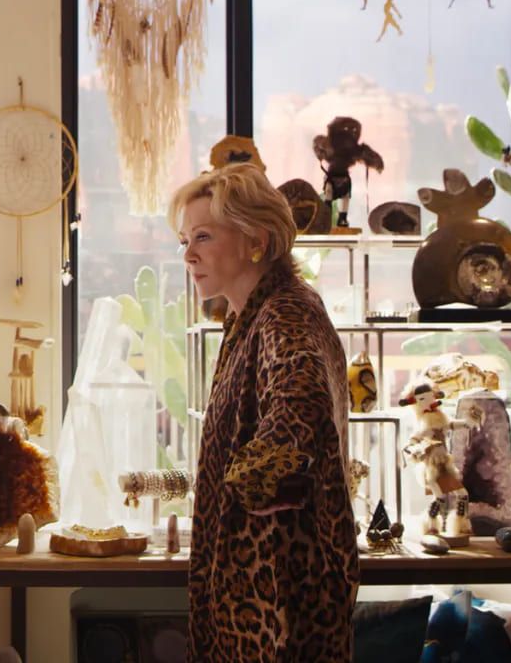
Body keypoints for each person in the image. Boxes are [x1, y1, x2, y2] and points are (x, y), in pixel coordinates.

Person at [170, 162, 359, 661]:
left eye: (203, 236)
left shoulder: (284, 313)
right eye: (185, 240)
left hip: (278, 597)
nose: (188, 254)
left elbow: (301, 404)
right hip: (258, 590)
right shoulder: (253, 315)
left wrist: (248, 484)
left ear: (256, 239)